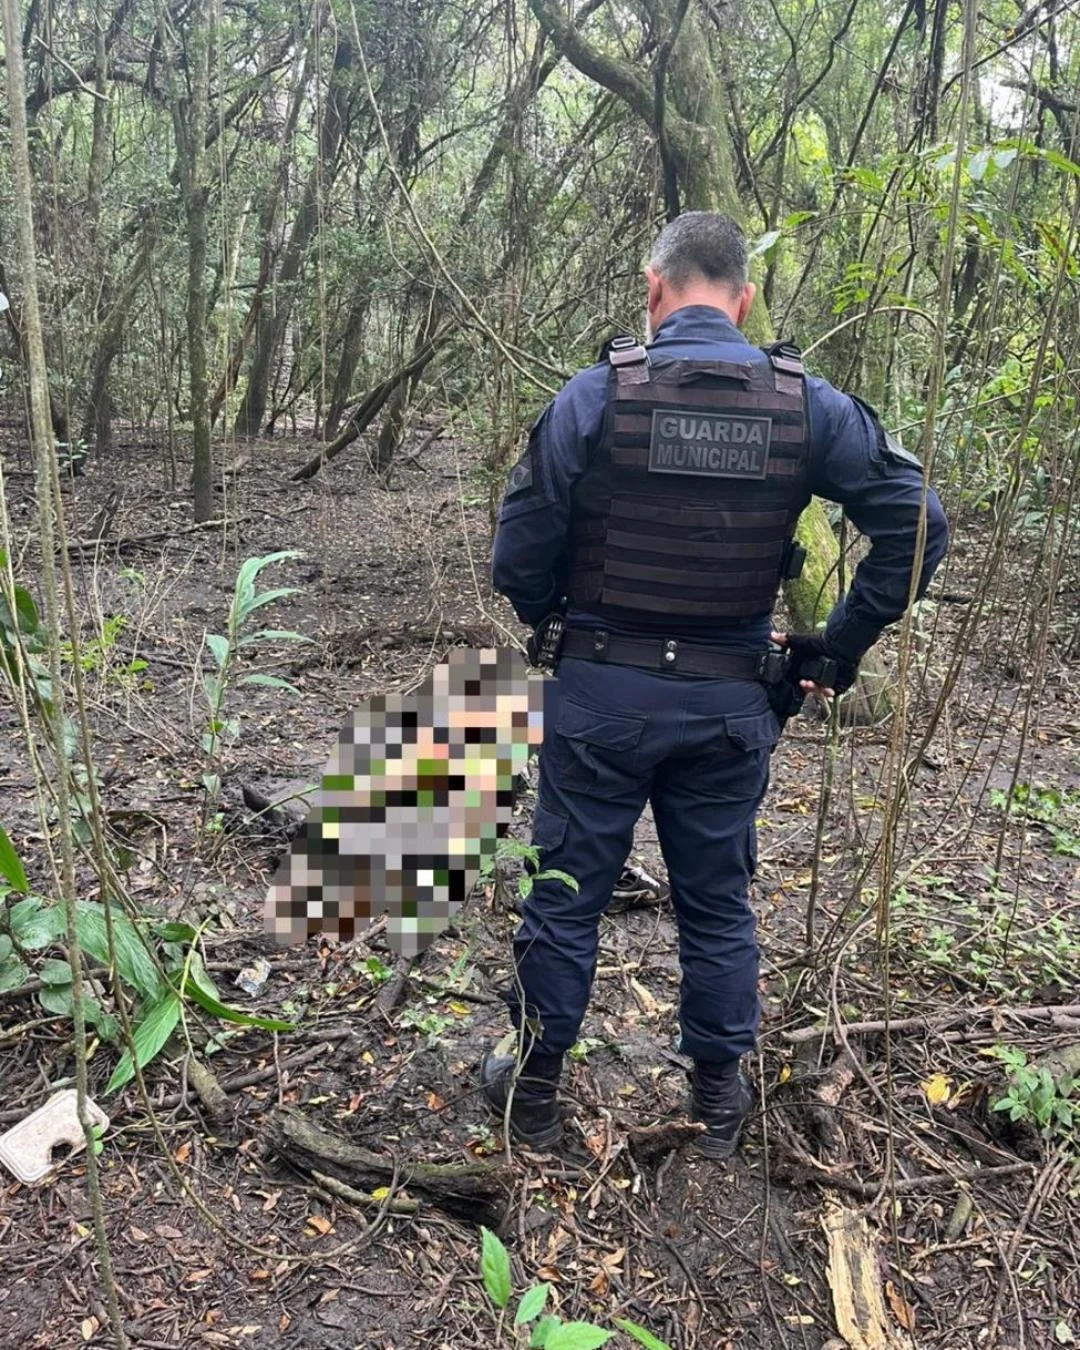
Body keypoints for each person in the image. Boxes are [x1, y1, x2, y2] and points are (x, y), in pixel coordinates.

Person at [480, 211, 949, 1158]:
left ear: (654, 289)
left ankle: (532, 1097)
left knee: (564, 894)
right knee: (717, 903)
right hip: (730, 708)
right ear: (742, 300)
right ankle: (717, 1104)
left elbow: (516, 556)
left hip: (601, 698)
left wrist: (562, 623)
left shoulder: (596, 397)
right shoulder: (807, 408)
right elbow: (920, 525)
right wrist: (835, 649)